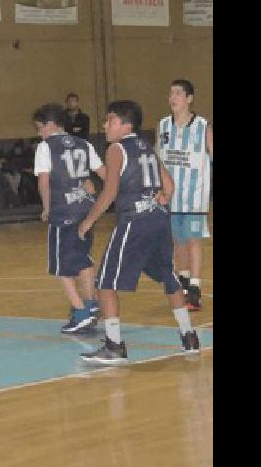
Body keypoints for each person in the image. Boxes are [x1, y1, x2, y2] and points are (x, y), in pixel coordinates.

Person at [77, 100, 200, 364]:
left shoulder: (116, 149)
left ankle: (114, 346)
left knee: (105, 284)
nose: (105, 125)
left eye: (110, 121)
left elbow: (109, 192)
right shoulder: (147, 147)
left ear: (125, 125)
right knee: (168, 277)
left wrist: (88, 220)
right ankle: (189, 337)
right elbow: (169, 185)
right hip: (158, 219)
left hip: (135, 221)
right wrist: (164, 197)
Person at [32, 103, 106, 333]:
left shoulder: (46, 147)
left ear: (50, 124)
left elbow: (44, 181)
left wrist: (46, 208)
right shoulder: (84, 144)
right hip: (86, 210)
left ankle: (81, 311)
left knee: (62, 267)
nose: (39, 133)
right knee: (84, 259)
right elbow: (105, 173)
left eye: (39, 127)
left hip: (63, 211)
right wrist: (97, 192)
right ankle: (91, 304)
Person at [156, 79, 212, 311]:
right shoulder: (163, 125)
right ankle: (184, 282)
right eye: (171, 93)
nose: (173, 97)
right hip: (170, 195)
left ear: (189, 98)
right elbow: (157, 156)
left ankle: (195, 288)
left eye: (178, 93)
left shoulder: (202, 125)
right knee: (176, 242)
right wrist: (158, 186)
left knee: (192, 240)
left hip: (194, 194)